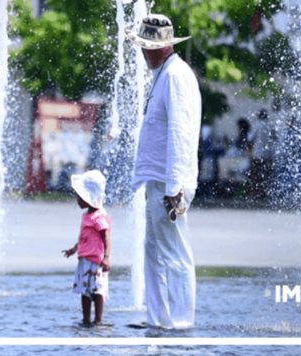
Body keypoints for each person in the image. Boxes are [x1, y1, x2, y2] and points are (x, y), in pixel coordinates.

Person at [126, 14, 201, 329]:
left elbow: (180, 135)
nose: (143, 53)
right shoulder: (166, 73)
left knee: (174, 252)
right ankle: (159, 319)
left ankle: (181, 322)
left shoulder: (174, 76)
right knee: (154, 252)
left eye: (146, 46)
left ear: (161, 46)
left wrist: (174, 186)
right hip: (159, 180)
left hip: (170, 182)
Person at [62, 170, 112, 327]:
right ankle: (85, 319)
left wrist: (107, 257)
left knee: (97, 291)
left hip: (96, 261)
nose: (77, 199)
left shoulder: (99, 216)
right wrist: (74, 249)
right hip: (84, 259)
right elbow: (84, 238)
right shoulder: (86, 216)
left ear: (88, 197)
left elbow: (106, 237)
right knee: (84, 291)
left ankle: (97, 319)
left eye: (79, 196)